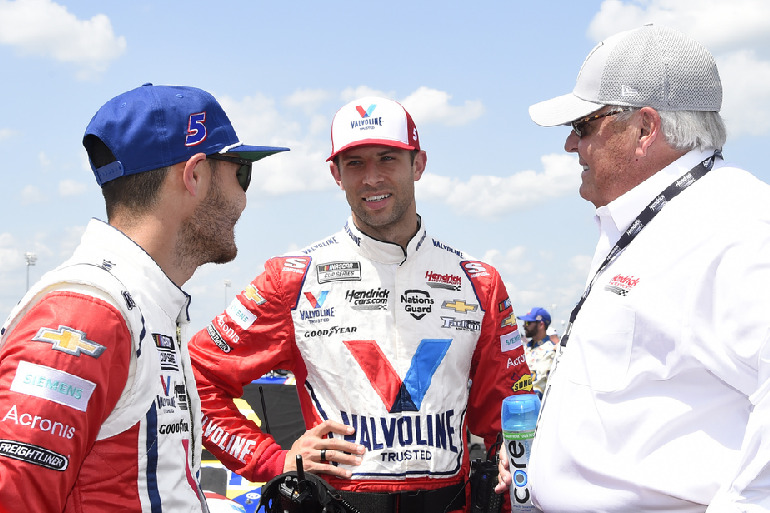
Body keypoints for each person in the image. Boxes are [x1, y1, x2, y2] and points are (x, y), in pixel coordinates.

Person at [188, 96, 533, 512]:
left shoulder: (478, 283)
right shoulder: (293, 279)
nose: (371, 178)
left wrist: (512, 462)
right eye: (354, 163)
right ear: (336, 174)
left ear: (418, 165)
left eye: (386, 159)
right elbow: (195, 380)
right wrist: (274, 460)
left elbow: (509, 411)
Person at [495, 24, 770, 511]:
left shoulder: (741, 225)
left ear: (644, 130)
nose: (570, 146)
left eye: (582, 127)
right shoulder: (646, 219)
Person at [0, 83, 288, 511]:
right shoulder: (88, 314)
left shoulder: (145, 305)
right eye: (241, 171)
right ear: (195, 175)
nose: (244, 198)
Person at [516, 307, 555, 398]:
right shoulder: (525, 348)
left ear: (541, 325)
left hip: (535, 404)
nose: (524, 326)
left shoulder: (551, 351)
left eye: (528, 323)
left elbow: (539, 385)